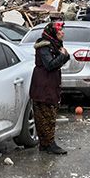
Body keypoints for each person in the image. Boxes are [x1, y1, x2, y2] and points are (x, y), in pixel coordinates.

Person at [30, 21, 70, 155]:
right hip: (43, 85)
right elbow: (50, 64)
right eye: (60, 30)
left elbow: (62, 58)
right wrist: (63, 56)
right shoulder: (45, 46)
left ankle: (47, 143)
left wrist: (64, 56)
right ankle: (48, 143)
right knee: (45, 115)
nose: (63, 33)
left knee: (49, 113)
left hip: (50, 84)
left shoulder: (54, 44)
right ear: (53, 32)